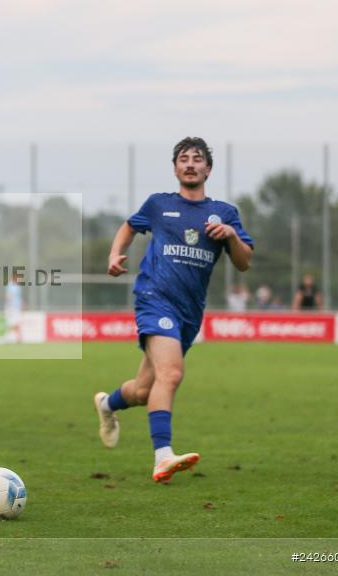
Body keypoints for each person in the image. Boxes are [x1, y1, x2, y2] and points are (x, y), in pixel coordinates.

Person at [93, 137, 254, 483]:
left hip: (189, 312)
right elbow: (129, 226)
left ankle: (108, 405)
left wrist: (230, 236)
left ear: (208, 169)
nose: (191, 164)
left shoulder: (225, 213)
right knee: (172, 375)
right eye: (184, 159)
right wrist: (114, 253)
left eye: (198, 159)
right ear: (175, 168)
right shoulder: (159, 205)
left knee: (142, 389)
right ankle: (162, 456)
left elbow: (243, 263)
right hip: (154, 298)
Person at [4, 273, 24, 343]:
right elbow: (8, 296)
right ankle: (7, 338)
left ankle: (18, 338)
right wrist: (10, 307)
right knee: (12, 323)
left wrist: (22, 304)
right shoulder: (10, 285)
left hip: (17, 308)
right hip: (12, 308)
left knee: (17, 323)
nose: (19, 280)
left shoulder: (18, 286)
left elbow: (18, 297)